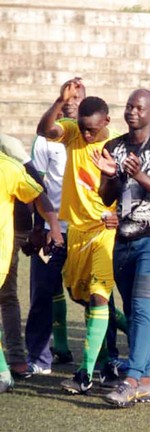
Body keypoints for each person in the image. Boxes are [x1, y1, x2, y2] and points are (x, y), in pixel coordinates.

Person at [93, 89, 150, 407]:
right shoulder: (113, 147)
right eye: (129, 106)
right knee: (133, 313)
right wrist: (115, 174)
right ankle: (145, 382)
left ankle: (130, 380)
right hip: (124, 240)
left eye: (139, 107)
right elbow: (107, 196)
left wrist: (139, 174)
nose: (133, 111)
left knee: (144, 308)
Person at [37, 80, 119, 395]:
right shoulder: (71, 132)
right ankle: (125, 327)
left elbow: (127, 190)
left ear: (107, 122)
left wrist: (119, 216)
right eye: (83, 128)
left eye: (92, 130)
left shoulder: (117, 146)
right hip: (75, 232)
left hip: (103, 231)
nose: (87, 134)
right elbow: (45, 130)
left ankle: (87, 371)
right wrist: (60, 101)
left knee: (98, 295)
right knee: (80, 296)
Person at [25, 81, 86, 375]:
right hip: (53, 230)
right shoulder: (47, 139)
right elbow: (37, 187)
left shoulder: (95, 137)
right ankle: (39, 358)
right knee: (41, 293)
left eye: (77, 96)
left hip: (86, 232)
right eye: (68, 96)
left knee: (92, 295)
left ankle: (103, 356)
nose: (72, 101)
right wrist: (42, 227)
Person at [0, 146, 64, 393]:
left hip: (4, 249)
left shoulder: (8, 166)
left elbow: (37, 194)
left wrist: (53, 227)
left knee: (7, 297)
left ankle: (10, 366)